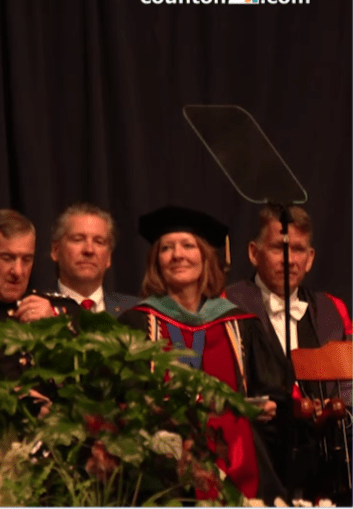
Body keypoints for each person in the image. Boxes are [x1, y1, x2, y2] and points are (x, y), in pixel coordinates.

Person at [118, 205, 284, 503]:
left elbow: (272, 388)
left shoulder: (239, 324)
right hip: (163, 467)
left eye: (188, 246)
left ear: (205, 257)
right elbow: (126, 397)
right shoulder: (137, 323)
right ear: (157, 260)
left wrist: (267, 405)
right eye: (167, 248)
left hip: (238, 458)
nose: (177, 255)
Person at [225, 205, 352, 503]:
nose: (289, 260)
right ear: (254, 253)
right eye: (278, 249)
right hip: (259, 451)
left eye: (298, 250)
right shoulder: (228, 304)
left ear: (310, 259)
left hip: (326, 457)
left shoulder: (332, 310)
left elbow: (349, 388)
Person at [0, 209, 77, 381]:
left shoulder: (63, 311)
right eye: (7, 258)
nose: (18, 271)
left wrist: (54, 329)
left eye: (26, 259)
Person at [49, 202, 139, 316]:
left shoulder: (135, 312)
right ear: (55, 250)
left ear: (108, 257)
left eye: (99, 241)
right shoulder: (36, 309)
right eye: (78, 239)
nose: (89, 250)